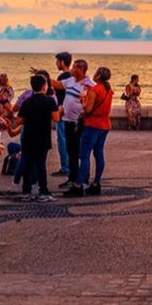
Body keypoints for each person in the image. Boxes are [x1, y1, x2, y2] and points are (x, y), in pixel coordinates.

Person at [64, 67, 113, 197]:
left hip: (92, 125)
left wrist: (83, 100)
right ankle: (96, 183)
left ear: (98, 76)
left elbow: (88, 110)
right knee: (99, 153)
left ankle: (78, 185)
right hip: (105, 125)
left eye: (96, 73)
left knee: (84, 155)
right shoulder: (109, 90)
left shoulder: (95, 90)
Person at [51, 59, 94, 189]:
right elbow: (57, 85)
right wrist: (44, 76)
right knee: (71, 151)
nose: (71, 69)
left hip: (79, 123)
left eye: (74, 67)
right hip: (67, 121)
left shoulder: (89, 84)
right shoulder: (70, 80)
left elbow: (90, 104)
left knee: (81, 152)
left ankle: (83, 179)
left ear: (81, 69)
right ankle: (72, 177)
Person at [17, 74, 60, 202]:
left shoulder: (27, 101)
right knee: (41, 164)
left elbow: (19, 120)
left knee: (28, 164)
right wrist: (61, 110)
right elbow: (56, 118)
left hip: (28, 136)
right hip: (42, 137)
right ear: (44, 86)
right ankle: (43, 191)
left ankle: (26, 191)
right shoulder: (49, 101)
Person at [52, 51, 72, 176]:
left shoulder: (62, 78)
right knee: (69, 140)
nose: (56, 64)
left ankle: (65, 167)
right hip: (70, 112)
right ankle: (70, 165)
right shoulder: (72, 76)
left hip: (62, 111)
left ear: (62, 62)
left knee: (62, 140)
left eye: (57, 61)